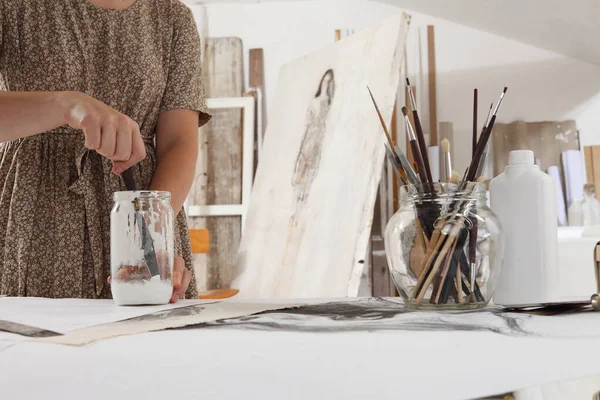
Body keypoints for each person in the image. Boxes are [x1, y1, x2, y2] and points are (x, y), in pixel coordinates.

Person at [0, 0, 211, 302]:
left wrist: (152, 235)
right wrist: (64, 105)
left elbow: (179, 144)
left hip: (142, 210)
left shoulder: (172, 18)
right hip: (32, 213)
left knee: (146, 344)